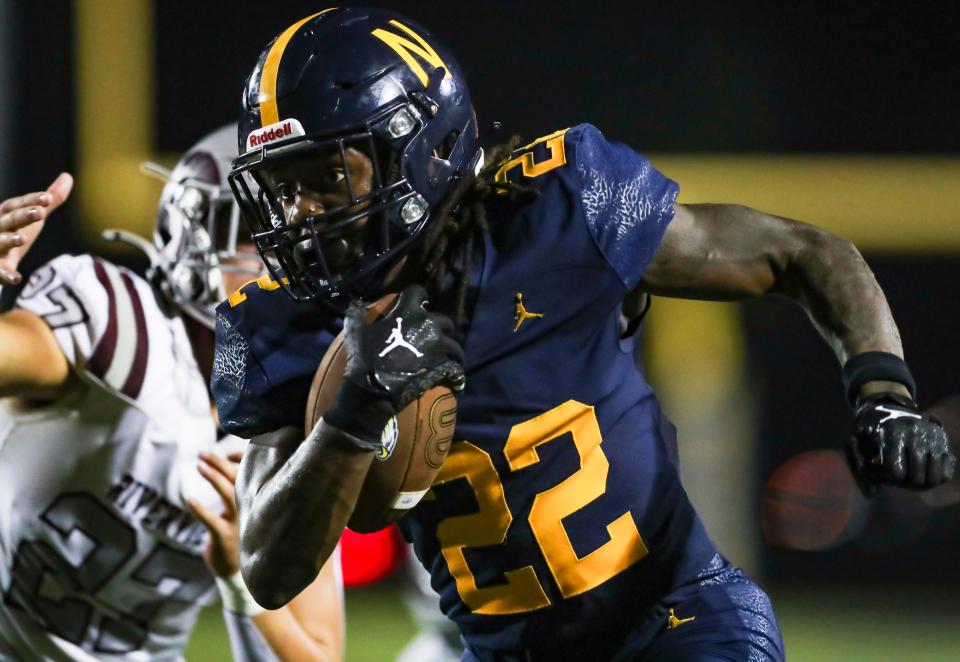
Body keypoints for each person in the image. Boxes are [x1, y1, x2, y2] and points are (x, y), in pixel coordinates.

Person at [219, 8, 955, 661]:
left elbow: (803, 252)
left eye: (327, 175)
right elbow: (268, 567)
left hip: (677, 622)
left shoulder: (562, 203)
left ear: (419, 149)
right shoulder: (270, 318)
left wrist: (883, 391)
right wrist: (355, 412)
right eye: (284, 187)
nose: (303, 213)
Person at [0, 125, 343, 661]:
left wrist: (242, 584)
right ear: (196, 236)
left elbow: (321, 655)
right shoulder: (118, 327)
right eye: (260, 239)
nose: (286, 265)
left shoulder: (299, 422)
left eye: (301, 245)